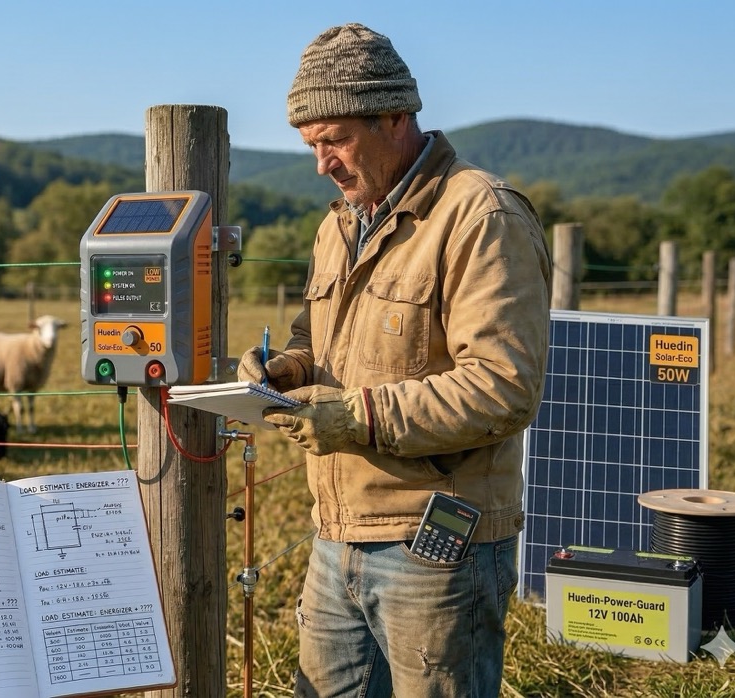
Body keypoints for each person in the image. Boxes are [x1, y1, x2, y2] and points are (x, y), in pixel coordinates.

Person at [236, 22, 553, 697]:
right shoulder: (339, 224)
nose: (322, 162)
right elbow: (312, 338)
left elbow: (503, 387)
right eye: (310, 145)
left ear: (395, 117)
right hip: (335, 532)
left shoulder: (479, 215)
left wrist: (354, 417)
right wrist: (283, 370)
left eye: (335, 140)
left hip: (437, 544)